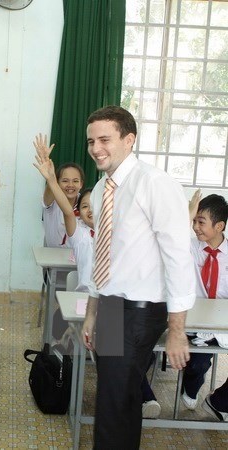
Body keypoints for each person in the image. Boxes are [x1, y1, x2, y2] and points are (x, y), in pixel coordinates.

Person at [79, 106, 195, 449]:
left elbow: (178, 257)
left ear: (129, 140)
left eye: (105, 139)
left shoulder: (156, 184)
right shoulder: (101, 190)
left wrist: (177, 331)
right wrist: (92, 311)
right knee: (121, 397)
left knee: (113, 401)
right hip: (112, 305)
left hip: (143, 309)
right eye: (90, 141)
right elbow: (105, 257)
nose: (96, 148)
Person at [33, 153, 162, 418]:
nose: (92, 210)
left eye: (97, 205)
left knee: (131, 347)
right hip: (86, 304)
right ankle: (131, 395)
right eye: (86, 206)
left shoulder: (120, 235)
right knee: (115, 350)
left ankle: (130, 392)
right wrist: (50, 178)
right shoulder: (79, 234)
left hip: (116, 304)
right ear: (80, 211)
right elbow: (66, 209)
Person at [180, 193, 228, 421]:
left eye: (201, 222)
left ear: (219, 226)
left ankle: (219, 401)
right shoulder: (188, 247)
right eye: (194, 221)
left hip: (221, 322)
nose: (195, 227)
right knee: (198, 363)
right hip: (193, 321)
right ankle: (190, 385)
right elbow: (171, 237)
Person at [33, 134, 85, 248]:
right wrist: (50, 177)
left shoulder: (86, 202)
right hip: (53, 263)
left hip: (79, 262)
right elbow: (50, 189)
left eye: (75, 181)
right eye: (65, 181)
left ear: (81, 184)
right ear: (58, 182)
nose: (70, 185)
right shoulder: (51, 202)